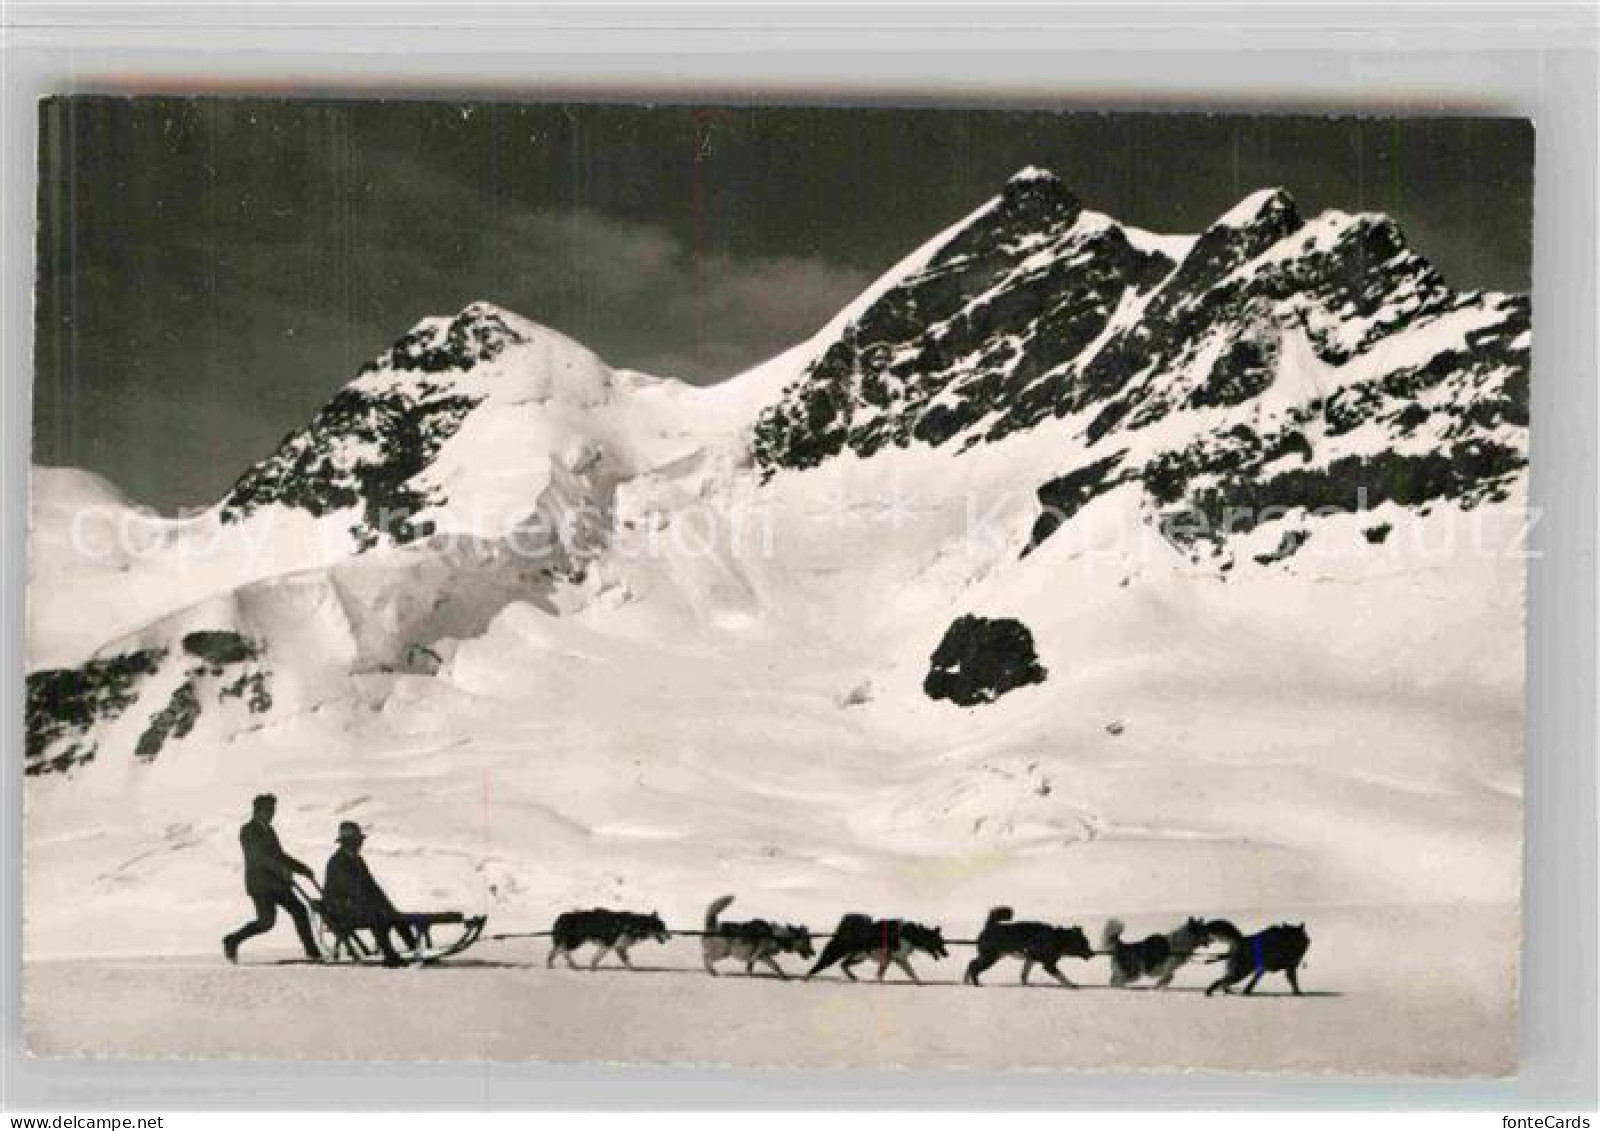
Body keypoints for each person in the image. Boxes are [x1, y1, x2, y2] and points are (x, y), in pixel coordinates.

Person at [222, 793, 320, 963]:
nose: (271, 814)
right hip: (261, 885)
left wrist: (301, 869)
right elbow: (259, 857)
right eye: (268, 811)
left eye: (273, 810)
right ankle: (232, 940)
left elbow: (279, 855)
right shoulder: (248, 831)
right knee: (266, 923)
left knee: (300, 911)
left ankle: (312, 952)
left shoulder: (270, 830)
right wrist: (282, 870)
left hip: (278, 883)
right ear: (257, 811)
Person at [322, 821, 417, 967]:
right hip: (342, 910)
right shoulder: (337, 862)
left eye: (359, 841)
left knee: (396, 917)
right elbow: (349, 888)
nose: (359, 844)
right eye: (356, 841)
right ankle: (389, 955)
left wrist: (387, 906)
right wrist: (373, 906)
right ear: (347, 843)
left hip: (358, 906)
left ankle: (416, 950)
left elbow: (371, 886)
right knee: (377, 917)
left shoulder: (358, 861)